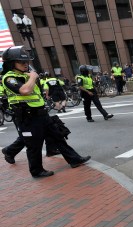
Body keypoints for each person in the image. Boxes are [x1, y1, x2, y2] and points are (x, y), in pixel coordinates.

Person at [1, 46, 91, 177]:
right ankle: (36, 171)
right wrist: (32, 77)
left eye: (27, 62)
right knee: (34, 145)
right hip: (27, 117)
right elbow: (24, 91)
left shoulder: (25, 75)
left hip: (41, 114)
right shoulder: (9, 78)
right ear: (11, 63)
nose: (26, 64)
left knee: (58, 137)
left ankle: (74, 159)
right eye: (22, 62)